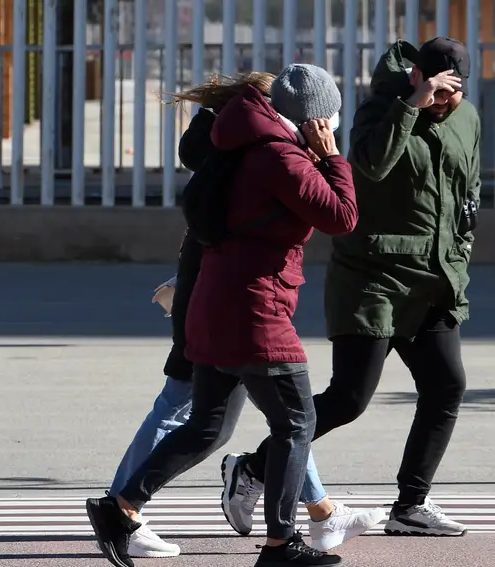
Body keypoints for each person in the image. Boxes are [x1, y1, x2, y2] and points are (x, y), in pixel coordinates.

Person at [86, 63, 363, 567]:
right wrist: (333, 158)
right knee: (296, 424)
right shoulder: (280, 157)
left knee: (208, 427)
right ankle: (281, 545)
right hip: (257, 311)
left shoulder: (237, 142)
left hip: (216, 304)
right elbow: (341, 217)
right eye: (330, 118)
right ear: (315, 118)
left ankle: (120, 507)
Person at [222, 37, 480, 538]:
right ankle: (251, 469)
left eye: (455, 89)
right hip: (373, 278)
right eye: (436, 86)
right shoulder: (380, 110)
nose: (446, 98)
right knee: (349, 398)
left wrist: (462, 249)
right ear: (415, 76)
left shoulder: (467, 118)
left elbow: (466, 190)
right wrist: (411, 107)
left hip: (434, 279)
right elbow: (370, 165)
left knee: (447, 386)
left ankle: (411, 506)